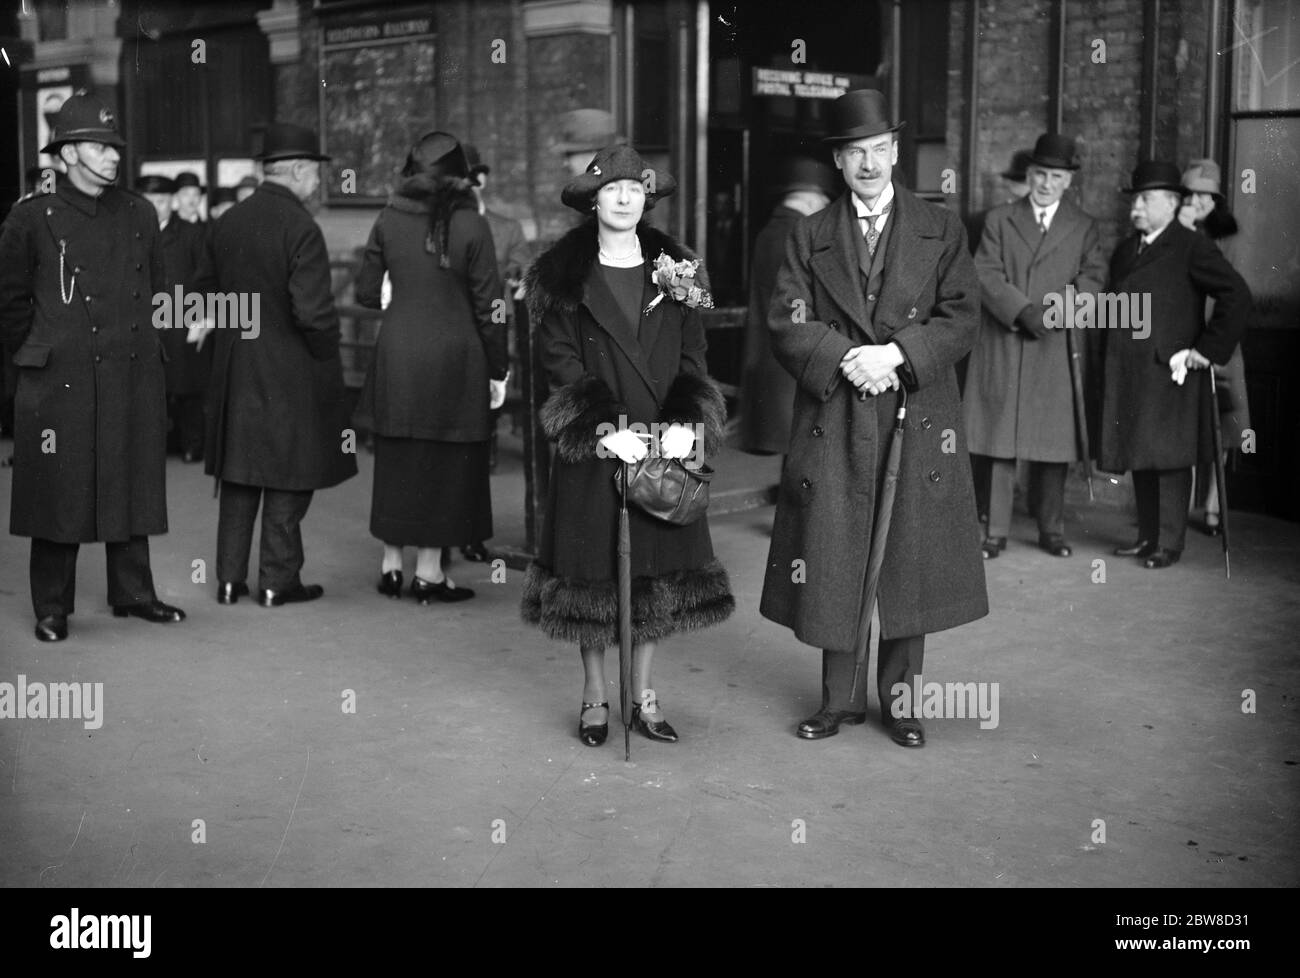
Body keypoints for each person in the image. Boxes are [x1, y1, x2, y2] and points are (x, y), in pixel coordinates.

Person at [759, 88, 988, 748]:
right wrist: (846, 358)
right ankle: (837, 701)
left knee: (906, 560)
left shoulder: (940, 230)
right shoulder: (810, 234)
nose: (868, 163)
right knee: (833, 556)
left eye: (878, 150)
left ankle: (903, 705)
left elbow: (961, 317)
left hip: (915, 411)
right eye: (854, 152)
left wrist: (896, 355)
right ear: (838, 161)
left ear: (895, 153)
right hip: (837, 411)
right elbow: (787, 320)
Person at [521, 145, 734, 747]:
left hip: (663, 441)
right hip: (600, 446)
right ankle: (594, 696)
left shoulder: (679, 270)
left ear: (647, 199)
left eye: (633, 190)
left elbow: (696, 352)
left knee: (657, 571)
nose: (622, 198)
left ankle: (642, 697)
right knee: (590, 575)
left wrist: (688, 419)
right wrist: (598, 427)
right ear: (592, 201)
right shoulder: (560, 275)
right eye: (609, 189)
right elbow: (557, 357)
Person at [0, 91, 185, 641]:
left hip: (131, 370)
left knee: (131, 480)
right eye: (98, 148)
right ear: (66, 155)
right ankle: (51, 608)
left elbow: (158, 290)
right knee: (61, 489)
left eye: (114, 148)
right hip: (61, 376)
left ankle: (134, 592)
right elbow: (9, 303)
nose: (111, 157)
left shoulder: (139, 211)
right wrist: (41, 351)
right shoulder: (31, 218)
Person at [204, 122, 357, 606]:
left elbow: (206, 294)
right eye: (314, 172)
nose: (317, 183)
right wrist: (325, 353)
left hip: (236, 366)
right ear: (294, 169)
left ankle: (229, 580)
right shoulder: (300, 227)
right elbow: (311, 312)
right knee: (290, 472)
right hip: (289, 369)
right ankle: (277, 580)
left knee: (240, 469)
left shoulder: (228, 220)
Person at [353, 131, 508, 603]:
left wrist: (396, 295)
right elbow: (490, 308)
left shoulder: (388, 217)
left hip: (398, 353)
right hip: (456, 360)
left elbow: (364, 291)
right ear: (461, 176)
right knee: (447, 462)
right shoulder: (471, 225)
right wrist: (498, 370)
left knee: (398, 455)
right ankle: (429, 574)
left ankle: (391, 566)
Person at [1100, 161, 1253, 568]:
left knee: (1168, 459)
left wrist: (1206, 351)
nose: (1136, 206)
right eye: (1134, 199)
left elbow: (1236, 295)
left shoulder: (1191, 245)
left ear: (1171, 203)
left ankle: (1169, 543)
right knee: (1141, 456)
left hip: (1171, 371)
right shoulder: (1126, 250)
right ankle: (1147, 537)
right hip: (1131, 372)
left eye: (1145, 199)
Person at [963, 133, 1107, 560]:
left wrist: (1055, 313)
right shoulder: (999, 219)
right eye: (1040, 174)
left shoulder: (1084, 226)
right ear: (1029, 175)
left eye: (1056, 176)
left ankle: (1052, 530)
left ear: (1068, 182)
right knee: (1001, 441)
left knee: (1051, 445)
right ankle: (997, 530)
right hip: (1006, 339)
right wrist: (1020, 311)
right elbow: (983, 272)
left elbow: (1094, 280)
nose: (1046, 183)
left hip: (1054, 346)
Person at [740, 156, 834, 456]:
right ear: (810, 202)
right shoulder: (797, 235)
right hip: (792, 358)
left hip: (769, 355)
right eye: (821, 203)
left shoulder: (771, 230)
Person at [1178, 158, 1249, 537]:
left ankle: (1211, 508)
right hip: (1182, 341)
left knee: (1222, 430)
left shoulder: (1228, 239)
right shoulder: (1176, 233)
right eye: (1190, 194)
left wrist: (1215, 341)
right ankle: (1179, 506)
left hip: (1219, 344)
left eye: (1206, 195)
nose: (1198, 201)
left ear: (1217, 200)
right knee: (1181, 428)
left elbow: (1236, 294)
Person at [140, 174, 212, 463]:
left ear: (172, 203)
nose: (157, 207)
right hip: (147, 321)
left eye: (162, 201)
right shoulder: (135, 234)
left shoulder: (192, 234)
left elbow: (207, 278)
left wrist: (204, 318)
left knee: (187, 387)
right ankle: (159, 444)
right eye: (151, 202)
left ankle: (193, 443)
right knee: (153, 387)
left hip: (184, 317)